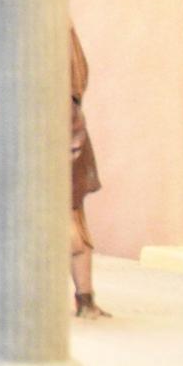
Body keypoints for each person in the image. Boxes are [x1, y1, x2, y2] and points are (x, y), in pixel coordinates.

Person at [69, 27, 109, 319]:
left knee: (71, 223)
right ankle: (85, 299)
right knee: (72, 221)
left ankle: (86, 300)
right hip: (63, 136)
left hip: (60, 140)